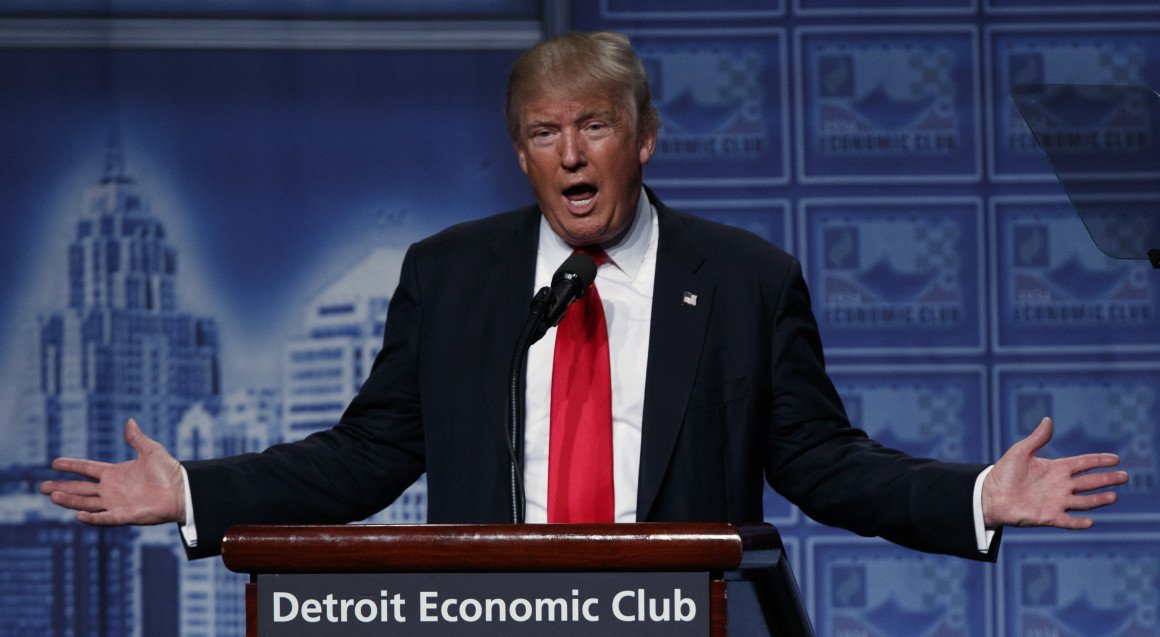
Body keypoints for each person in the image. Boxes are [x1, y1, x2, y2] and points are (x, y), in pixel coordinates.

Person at [41, 31, 1127, 562]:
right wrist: (195, 490)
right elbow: (366, 454)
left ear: (642, 139)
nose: (570, 153)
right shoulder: (452, 277)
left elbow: (820, 462)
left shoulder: (743, 280)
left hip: (681, 618)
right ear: (520, 153)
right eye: (543, 132)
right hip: (492, 622)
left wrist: (975, 495)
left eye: (594, 126)